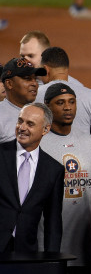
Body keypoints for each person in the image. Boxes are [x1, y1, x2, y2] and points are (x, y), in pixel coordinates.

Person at [38, 83, 91, 272]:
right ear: (47, 106)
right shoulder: (38, 143)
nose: (68, 107)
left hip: (85, 248)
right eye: (60, 103)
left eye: (71, 102)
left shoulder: (89, 141)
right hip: (48, 249)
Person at [0, 103, 64, 252]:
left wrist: (52, 262)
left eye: (30, 124)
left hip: (26, 253)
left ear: (45, 129)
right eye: (20, 121)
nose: (22, 128)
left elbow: (53, 222)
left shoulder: (54, 170)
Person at [36, 47, 91, 148]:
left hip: (45, 160)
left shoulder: (32, 96)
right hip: (82, 161)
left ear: (46, 70)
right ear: (66, 69)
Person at [0, 58, 47, 143]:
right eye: (27, 78)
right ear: (9, 84)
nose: (34, 83)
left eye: (35, 79)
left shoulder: (43, 112)